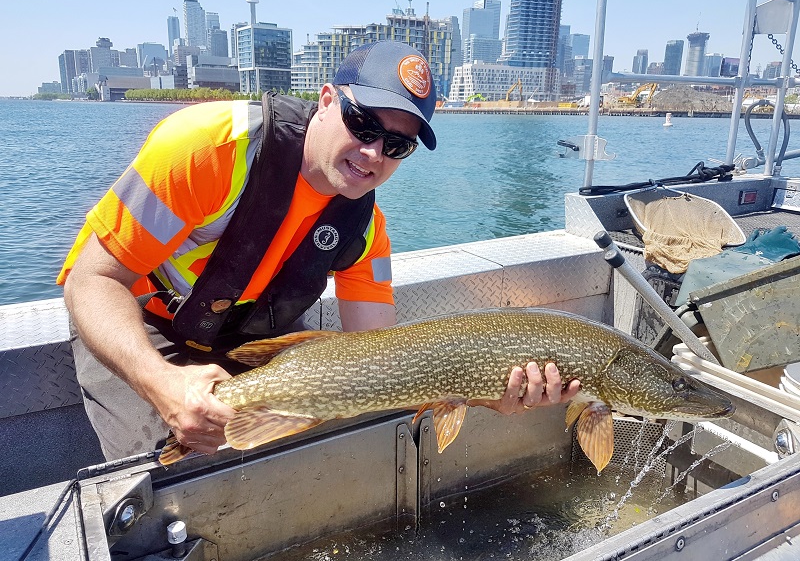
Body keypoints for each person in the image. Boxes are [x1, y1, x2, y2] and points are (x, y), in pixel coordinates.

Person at [58, 41, 580, 462]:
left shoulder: (365, 228)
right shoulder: (206, 150)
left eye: (397, 146)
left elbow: (383, 361)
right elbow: (93, 281)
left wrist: (485, 391)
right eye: (364, 124)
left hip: (255, 341)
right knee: (157, 488)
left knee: (273, 470)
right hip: (138, 321)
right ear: (328, 100)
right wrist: (163, 384)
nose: (374, 153)